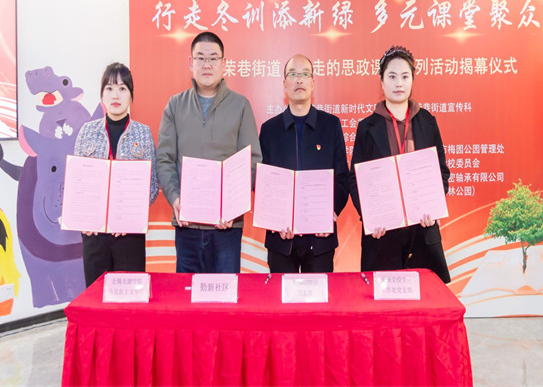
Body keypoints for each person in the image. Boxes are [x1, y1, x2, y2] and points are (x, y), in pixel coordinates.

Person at [156, 32, 261, 273]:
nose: (207, 64)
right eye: (200, 58)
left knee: (226, 294)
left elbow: (252, 162)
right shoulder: (175, 105)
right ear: (190, 62)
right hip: (187, 225)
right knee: (188, 294)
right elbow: (164, 159)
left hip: (227, 227)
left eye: (213, 58)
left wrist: (233, 208)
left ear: (224, 64)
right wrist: (175, 198)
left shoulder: (240, 106)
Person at [349, 45, 451, 283]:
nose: (399, 84)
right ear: (382, 82)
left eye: (405, 77)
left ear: (412, 80)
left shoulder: (427, 122)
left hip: (422, 230)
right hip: (383, 234)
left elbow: (441, 172)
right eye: (392, 77)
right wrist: (370, 216)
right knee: (384, 300)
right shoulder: (367, 127)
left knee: (423, 299)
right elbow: (355, 179)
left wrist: (434, 207)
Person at [259, 55, 349, 273]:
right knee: (281, 296)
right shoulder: (269, 130)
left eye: (305, 74)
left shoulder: (330, 125)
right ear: (284, 83)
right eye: (293, 74)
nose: (299, 80)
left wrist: (331, 212)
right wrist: (274, 219)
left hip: (320, 239)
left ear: (313, 82)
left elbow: (342, 178)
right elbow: (263, 184)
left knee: (319, 295)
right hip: (281, 239)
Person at [74, 62, 159, 287]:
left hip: (129, 233)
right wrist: (84, 218)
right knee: (96, 296)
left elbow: (152, 186)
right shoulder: (87, 131)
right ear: (102, 94)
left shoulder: (143, 132)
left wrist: (129, 218)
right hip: (94, 233)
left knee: (129, 297)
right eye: (110, 88)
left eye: (122, 89)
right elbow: (77, 182)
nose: (115, 95)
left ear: (131, 95)